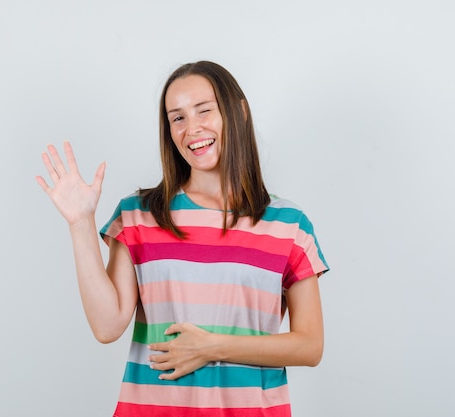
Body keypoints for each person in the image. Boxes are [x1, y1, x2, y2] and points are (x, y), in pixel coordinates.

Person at [37, 61, 329, 417]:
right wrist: (80, 223)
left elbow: (310, 346)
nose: (192, 129)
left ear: (239, 112)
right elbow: (107, 325)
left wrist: (212, 347)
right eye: (177, 118)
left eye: (204, 110)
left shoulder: (289, 224)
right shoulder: (139, 215)